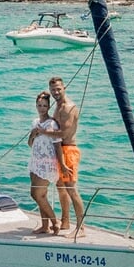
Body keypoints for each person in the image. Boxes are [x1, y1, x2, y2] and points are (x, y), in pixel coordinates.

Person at [49, 76, 84, 235]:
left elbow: (64, 132)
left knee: (71, 189)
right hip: (58, 150)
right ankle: (65, 221)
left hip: (68, 150)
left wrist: (41, 131)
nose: (56, 92)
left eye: (58, 89)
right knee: (60, 187)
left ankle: (81, 228)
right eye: (53, 90)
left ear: (64, 88)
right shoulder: (57, 106)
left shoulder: (69, 107)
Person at [27, 91, 61, 234]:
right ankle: (44, 226)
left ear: (48, 107)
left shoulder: (51, 124)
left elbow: (57, 144)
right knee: (42, 196)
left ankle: (55, 221)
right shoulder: (35, 122)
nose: (41, 108)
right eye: (39, 105)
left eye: (44, 106)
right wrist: (34, 133)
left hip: (47, 164)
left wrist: (62, 165)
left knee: (35, 194)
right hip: (35, 162)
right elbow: (30, 144)